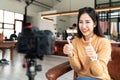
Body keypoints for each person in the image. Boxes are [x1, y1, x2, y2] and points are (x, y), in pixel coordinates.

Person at [63, 7, 111, 80]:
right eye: (81, 22)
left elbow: (98, 73)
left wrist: (93, 57)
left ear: (94, 24)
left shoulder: (104, 42)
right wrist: (71, 55)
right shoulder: (75, 42)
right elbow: (77, 69)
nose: (83, 26)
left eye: (87, 22)